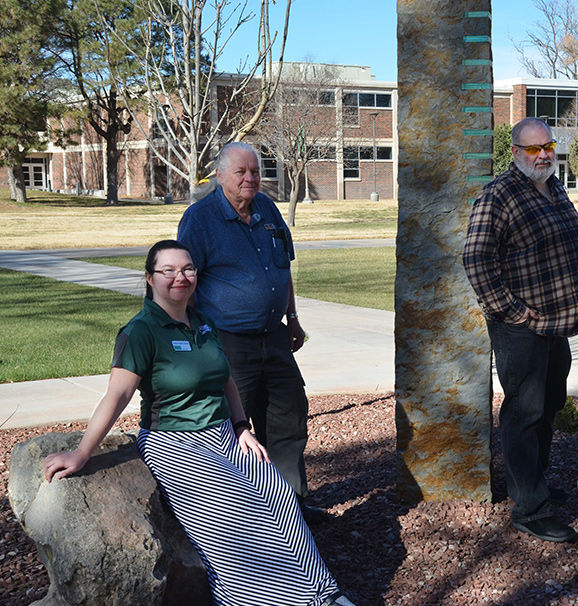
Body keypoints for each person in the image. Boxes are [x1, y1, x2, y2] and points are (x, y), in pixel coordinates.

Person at [43, 241, 355, 606]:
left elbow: (226, 381)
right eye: (168, 271)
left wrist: (241, 427)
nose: (180, 277)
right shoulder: (141, 332)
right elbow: (117, 396)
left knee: (279, 494)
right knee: (236, 514)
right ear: (149, 278)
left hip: (225, 434)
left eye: (188, 269)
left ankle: (321, 594)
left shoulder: (203, 322)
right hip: (174, 443)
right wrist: (82, 452)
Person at [176, 143, 325, 524]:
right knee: (232, 429)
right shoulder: (200, 219)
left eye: (255, 171)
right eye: (241, 172)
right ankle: (242, 516)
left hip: (273, 336)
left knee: (288, 417)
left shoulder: (268, 210)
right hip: (228, 341)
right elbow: (185, 282)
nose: (250, 178)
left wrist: (292, 317)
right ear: (220, 176)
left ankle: (293, 508)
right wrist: (198, 338)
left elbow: (283, 268)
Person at [463, 117, 578, 543]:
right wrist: (513, 312)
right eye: (533, 148)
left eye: (548, 146)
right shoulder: (499, 195)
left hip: (556, 324)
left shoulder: (553, 187)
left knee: (550, 402)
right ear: (516, 152)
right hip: (523, 328)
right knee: (525, 411)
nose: (543, 154)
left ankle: (533, 483)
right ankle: (530, 510)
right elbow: (477, 259)